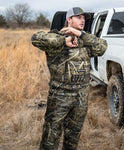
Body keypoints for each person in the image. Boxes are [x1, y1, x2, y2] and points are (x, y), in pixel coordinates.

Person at [31, 7, 107, 150]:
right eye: (78, 17)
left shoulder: (84, 40)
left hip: (81, 96)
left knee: (73, 137)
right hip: (60, 95)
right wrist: (63, 41)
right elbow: (36, 38)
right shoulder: (57, 37)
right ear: (69, 19)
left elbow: (102, 47)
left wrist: (81, 34)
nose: (82, 20)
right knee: (51, 137)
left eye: (84, 18)